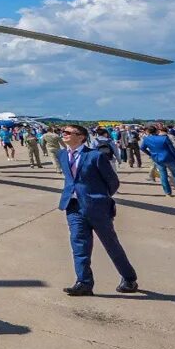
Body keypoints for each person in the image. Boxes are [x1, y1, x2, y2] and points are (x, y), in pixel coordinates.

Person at [56, 124, 138, 296]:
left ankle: (129, 278)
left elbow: (112, 181)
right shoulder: (62, 155)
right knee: (79, 245)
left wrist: (99, 197)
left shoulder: (95, 156)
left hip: (97, 207)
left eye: (68, 132)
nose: (64, 134)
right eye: (63, 132)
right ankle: (84, 282)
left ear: (81, 137)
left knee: (111, 244)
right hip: (73, 207)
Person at [141, 125, 175, 198]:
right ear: (157, 131)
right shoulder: (164, 138)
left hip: (157, 159)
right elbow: (172, 149)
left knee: (163, 176)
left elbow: (142, 148)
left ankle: (168, 193)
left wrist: (150, 154)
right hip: (169, 158)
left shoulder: (146, 139)